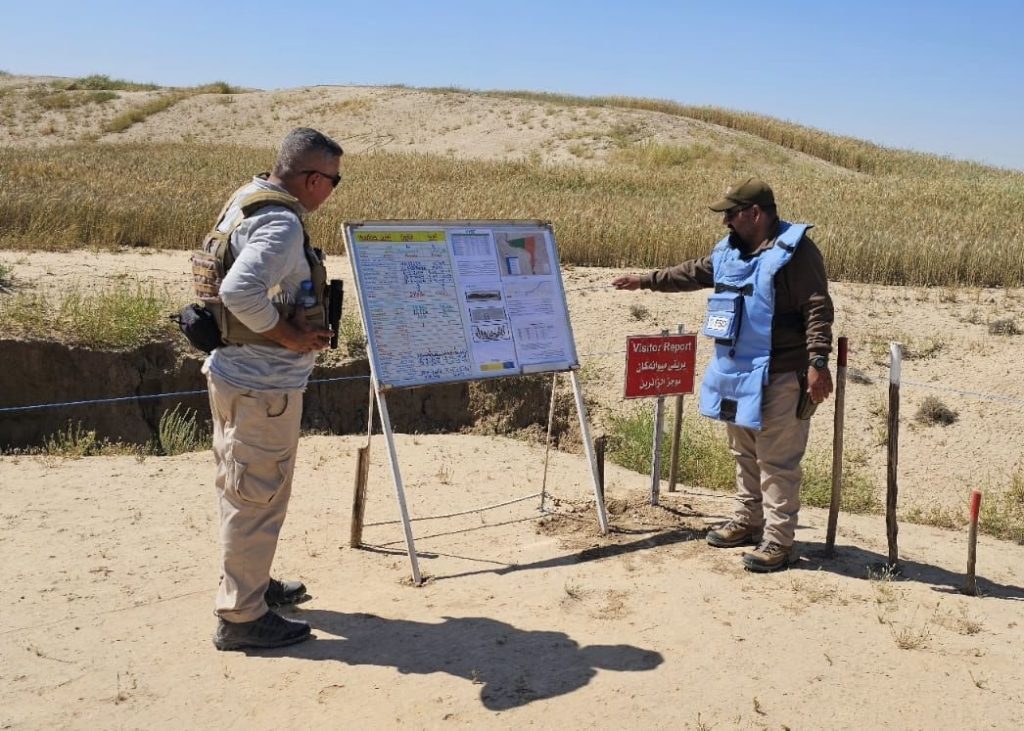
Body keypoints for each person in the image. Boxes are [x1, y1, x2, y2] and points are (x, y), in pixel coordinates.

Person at [613, 177, 834, 573]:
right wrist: (645, 280)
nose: (725, 222)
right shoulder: (730, 251)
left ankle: (779, 543)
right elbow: (693, 273)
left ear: (755, 213)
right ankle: (749, 522)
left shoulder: (797, 252)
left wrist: (818, 363)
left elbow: (817, 307)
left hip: (782, 374)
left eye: (731, 214)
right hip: (735, 372)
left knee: (777, 461)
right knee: (744, 453)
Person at [203, 128, 342, 650]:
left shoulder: (249, 198)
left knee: (240, 489)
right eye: (333, 179)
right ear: (311, 178)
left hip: (235, 375)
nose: (332, 189)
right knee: (256, 497)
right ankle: (241, 617)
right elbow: (237, 289)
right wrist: (289, 335)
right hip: (263, 388)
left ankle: (251, 586)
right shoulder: (282, 224)